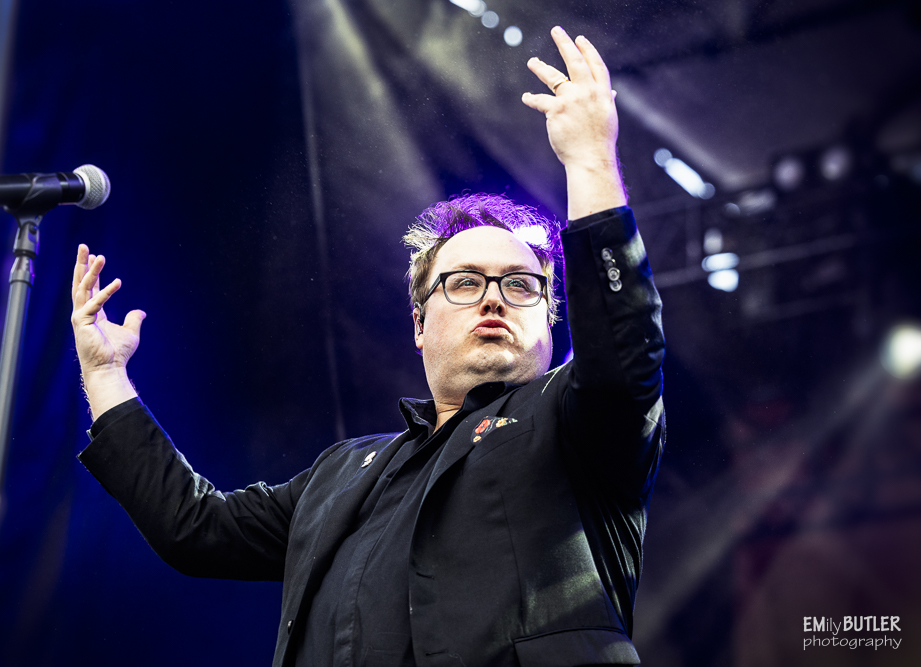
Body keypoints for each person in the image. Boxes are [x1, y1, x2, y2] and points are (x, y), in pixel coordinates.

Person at [70, 26, 665, 667]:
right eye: (465, 283)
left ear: (550, 319)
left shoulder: (575, 420)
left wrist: (590, 161)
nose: (493, 299)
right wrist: (105, 375)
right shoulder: (343, 471)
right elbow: (196, 529)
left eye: (519, 284)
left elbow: (622, 351)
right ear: (419, 323)